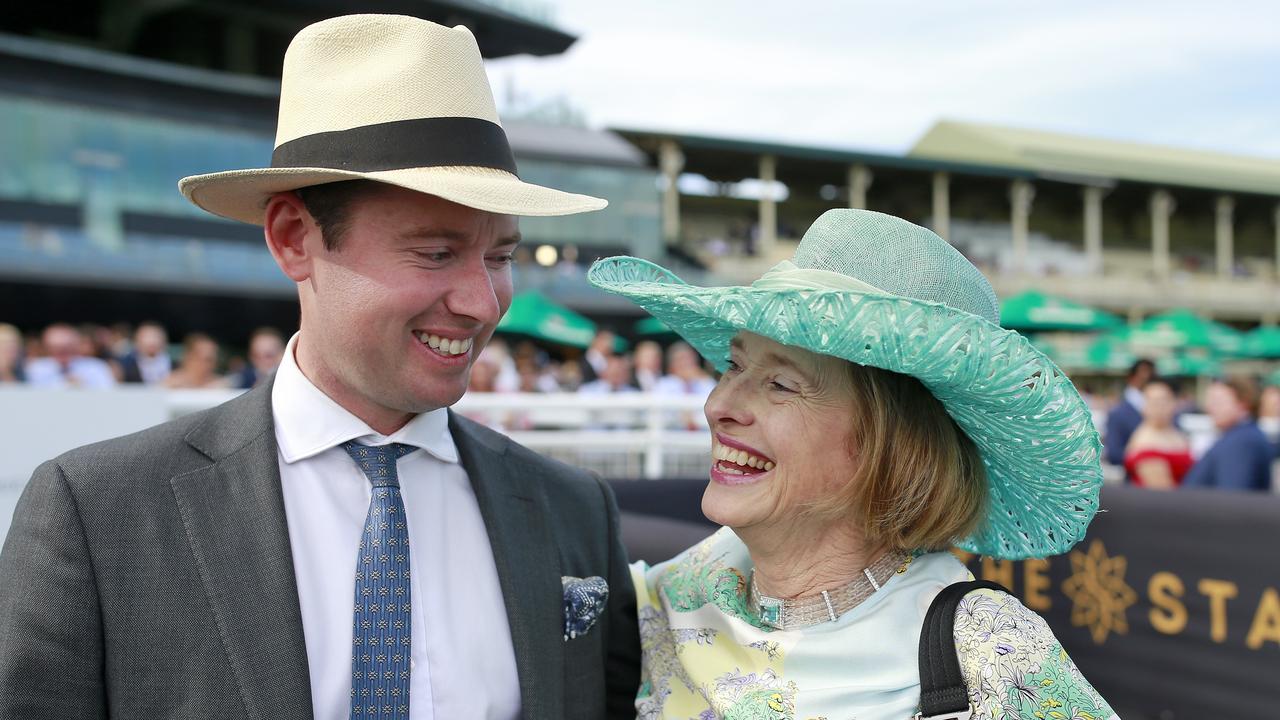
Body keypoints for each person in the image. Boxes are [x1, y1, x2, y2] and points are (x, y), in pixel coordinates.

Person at [0, 15, 638, 719]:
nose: (483, 302)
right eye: (435, 252)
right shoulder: (99, 514)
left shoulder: (572, 508)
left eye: (500, 256)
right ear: (293, 240)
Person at [589, 209, 1112, 718]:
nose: (718, 406)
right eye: (734, 366)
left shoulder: (988, 652)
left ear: (894, 445)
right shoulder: (672, 593)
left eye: (780, 384)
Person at [1182, 376, 1273, 491]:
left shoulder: (1241, 441)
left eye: (1217, 401)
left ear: (1243, 403)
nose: (1209, 407)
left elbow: (1231, 498)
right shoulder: (1244, 435)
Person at [1123, 377, 1193, 489]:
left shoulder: (1176, 432)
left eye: (1165, 401)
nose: (1160, 407)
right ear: (1144, 407)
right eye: (1154, 402)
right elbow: (1163, 491)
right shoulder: (1144, 441)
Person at [22, 323, 117, 388]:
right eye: (56, 348)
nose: (61, 352)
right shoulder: (36, 369)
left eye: (67, 347)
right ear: (47, 347)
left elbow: (109, 392)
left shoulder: (96, 367)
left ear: (76, 346)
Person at [1104, 358, 1155, 471]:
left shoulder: (1164, 412)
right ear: (1131, 378)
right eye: (1143, 376)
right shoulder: (1118, 413)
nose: (1147, 379)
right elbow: (1114, 453)